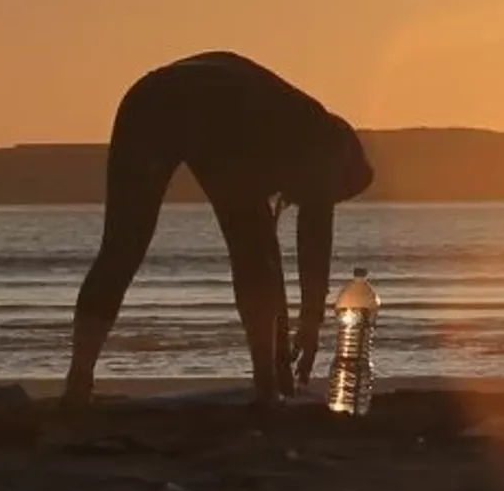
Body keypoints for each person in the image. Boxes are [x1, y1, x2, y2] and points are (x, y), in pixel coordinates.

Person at [62, 53, 372, 407]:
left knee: (121, 249)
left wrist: (293, 334)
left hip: (147, 98)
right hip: (216, 107)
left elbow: (271, 251)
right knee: (250, 251)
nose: (300, 202)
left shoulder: (290, 128)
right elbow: (310, 239)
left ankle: (77, 384)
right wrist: (311, 322)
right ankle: (266, 391)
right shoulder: (321, 139)